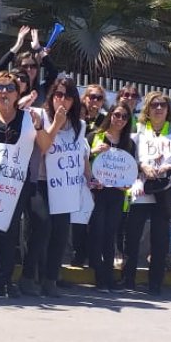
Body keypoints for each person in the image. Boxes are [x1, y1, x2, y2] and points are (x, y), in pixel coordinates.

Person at [0, 71, 60, 297]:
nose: (4, 92)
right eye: (0, 88)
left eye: (10, 89)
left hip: (16, 187)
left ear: (19, 93)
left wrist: (39, 128)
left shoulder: (30, 118)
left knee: (10, 233)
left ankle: (4, 281)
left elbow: (45, 146)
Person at [20, 76, 92, 297]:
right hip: (39, 182)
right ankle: (28, 277)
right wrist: (56, 125)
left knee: (61, 233)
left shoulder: (79, 126)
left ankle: (50, 279)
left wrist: (88, 177)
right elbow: (42, 147)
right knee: (42, 227)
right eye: (58, 95)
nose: (62, 100)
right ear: (52, 96)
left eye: (68, 96)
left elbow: (80, 155)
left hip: (64, 186)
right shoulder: (40, 116)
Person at [123, 91, 171, 295]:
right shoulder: (138, 129)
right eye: (154, 105)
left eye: (163, 105)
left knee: (160, 239)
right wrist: (142, 166)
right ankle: (128, 279)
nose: (159, 108)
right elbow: (128, 155)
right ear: (147, 109)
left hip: (165, 191)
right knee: (132, 237)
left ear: (168, 110)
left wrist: (170, 168)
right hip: (141, 188)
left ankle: (155, 283)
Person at [88, 103, 136, 292]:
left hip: (117, 195)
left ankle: (108, 278)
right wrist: (93, 152)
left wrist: (127, 183)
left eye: (124, 117)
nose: (120, 119)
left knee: (110, 236)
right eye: (117, 115)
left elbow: (131, 171)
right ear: (110, 115)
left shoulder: (129, 144)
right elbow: (81, 159)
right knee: (97, 233)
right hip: (96, 193)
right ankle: (100, 276)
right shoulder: (94, 136)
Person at [72, 83, 108, 266]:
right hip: (75, 174)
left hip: (99, 176)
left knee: (94, 218)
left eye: (99, 98)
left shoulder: (106, 120)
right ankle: (79, 253)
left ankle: (94, 256)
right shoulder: (75, 116)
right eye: (91, 97)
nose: (94, 101)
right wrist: (92, 151)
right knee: (78, 217)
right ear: (85, 97)